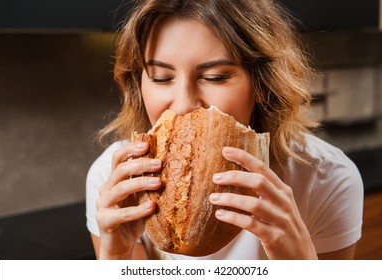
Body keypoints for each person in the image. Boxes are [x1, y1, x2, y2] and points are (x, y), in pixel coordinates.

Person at [86, 0, 363, 260]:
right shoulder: (114, 183)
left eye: (214, 77)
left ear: (262, 85)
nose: (183, 106)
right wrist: (116, 258)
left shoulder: (328, 181)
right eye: (162, 78)